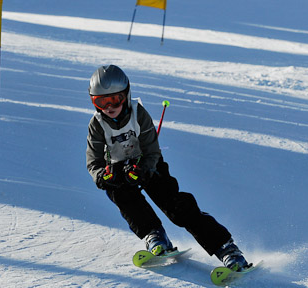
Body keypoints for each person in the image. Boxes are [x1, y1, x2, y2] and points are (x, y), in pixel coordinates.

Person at [85, 65, 250, 271]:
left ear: (126, 95)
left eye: (115, 99)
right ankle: (153, 234)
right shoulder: (97, 124)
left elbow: (152, 150)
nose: (109, 107)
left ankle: (225, 248)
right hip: (118, 170)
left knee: (176, 207)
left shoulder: (139, 114)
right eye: (101, 101)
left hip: (148, 165)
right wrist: (103, 176)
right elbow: (93, 162)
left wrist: (143, 169)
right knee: (124, 198)